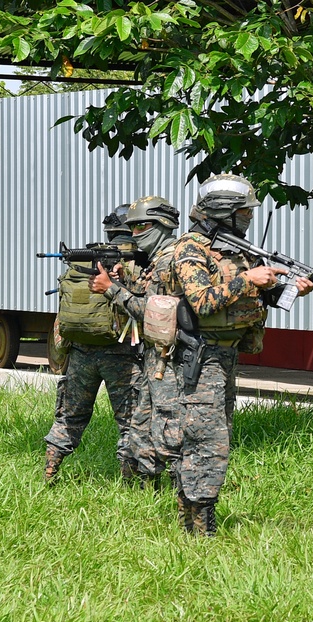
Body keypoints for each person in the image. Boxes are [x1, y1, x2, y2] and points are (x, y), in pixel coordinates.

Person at [167, 173, 313, 536]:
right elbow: (202, 301)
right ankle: (200, 529)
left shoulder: (233, 250)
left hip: (225, 359)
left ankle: (193, 520)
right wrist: (250, 280)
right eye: (243, 211)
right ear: (223, 212)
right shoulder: (191, 249)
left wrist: (289, 289)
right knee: (208, 444)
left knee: (214, 437)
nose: (249, 218)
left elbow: (254, 298)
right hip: (200, 360)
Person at [42, 205, 142, 484]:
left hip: (81, 353)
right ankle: (132, 484)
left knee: (69, 417)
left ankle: (50, 471)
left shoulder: (87, 259)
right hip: (122, 356)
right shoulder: (134, 264)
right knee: (131, 420)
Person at [89, 196, 182, 485]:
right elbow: (145, 295)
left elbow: (151, 312)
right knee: (141, 427)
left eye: (141, 226)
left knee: (170, 428)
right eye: (133, 227)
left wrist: (111, 290)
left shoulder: (170, 261)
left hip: (171, 362)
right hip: (154, 359)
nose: (135, 234)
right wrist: (122, 279)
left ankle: (184, 491)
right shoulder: (156, 260)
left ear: (162, 225)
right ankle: (143, 491)